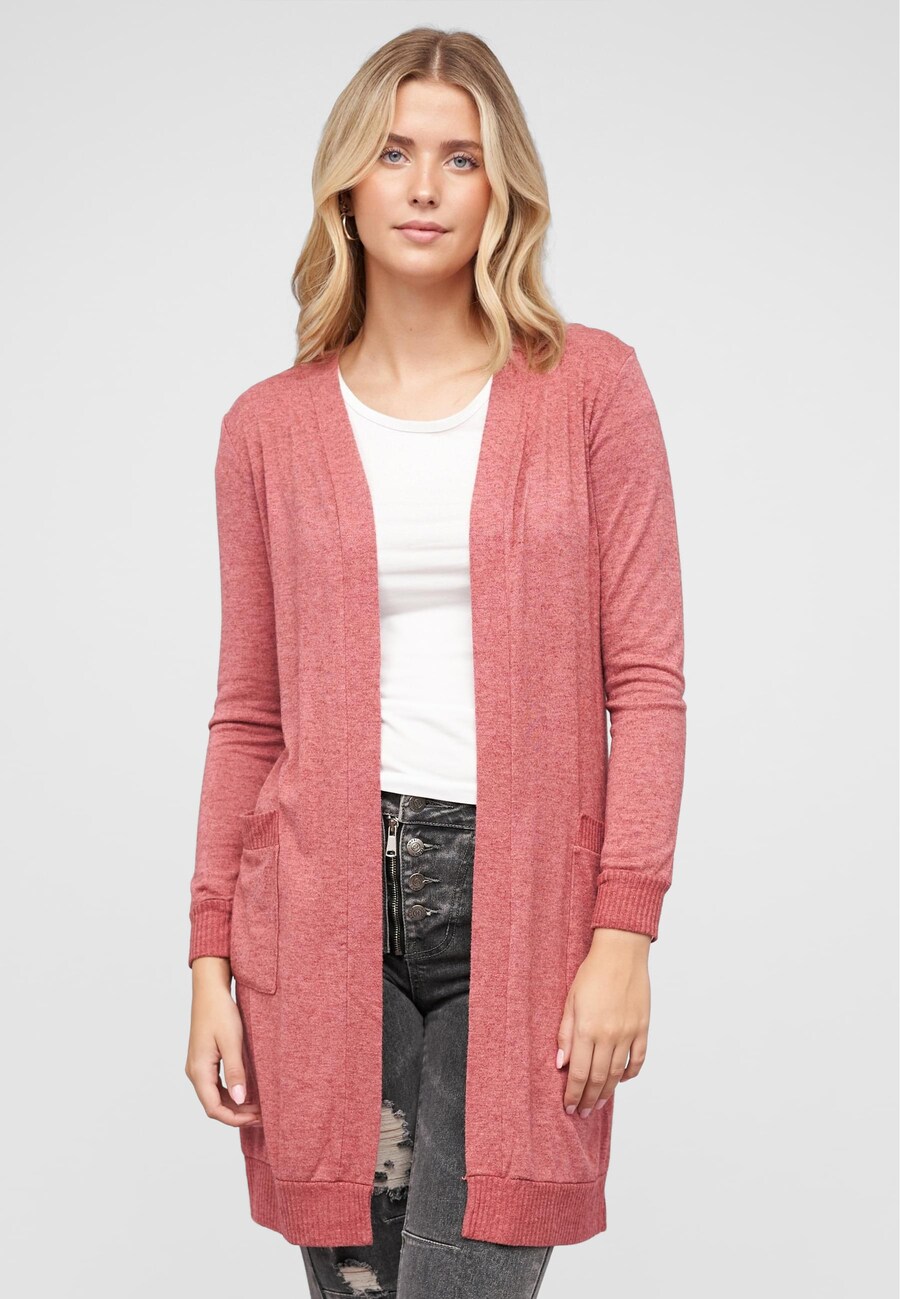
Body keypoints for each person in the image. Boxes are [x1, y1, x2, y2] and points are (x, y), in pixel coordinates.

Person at [185, 25, 687, 1299]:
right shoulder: (266, 430)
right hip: (317, 912)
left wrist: (624, 933)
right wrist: (208, 960)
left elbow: (647, 682)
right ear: (346, 184)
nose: (424, 187)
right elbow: (249, 717)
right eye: (394, 153)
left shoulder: (590, 389)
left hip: (520, 908)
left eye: (460, 158)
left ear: (501, 185)